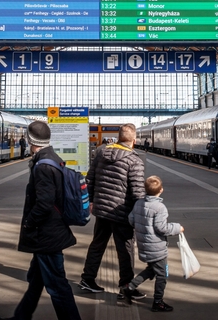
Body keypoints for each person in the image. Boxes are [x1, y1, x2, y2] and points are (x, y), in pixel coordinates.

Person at [0, 121, 81, 320]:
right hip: (49, 231)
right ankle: (21, 317)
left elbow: (45, 203)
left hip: (46, 234)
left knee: (57, 286)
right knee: (36, 280)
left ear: (30, 140)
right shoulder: (51, 158)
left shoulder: (43, 166)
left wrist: (29, 222)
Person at [79, 123, 146, 296]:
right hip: (122, 212)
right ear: (134, 140)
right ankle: (126, 285)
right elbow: (138, 191)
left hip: (101, 209)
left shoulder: (101, 153)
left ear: (118, 137)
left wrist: (92, 201)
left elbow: (90, 179)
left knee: (97, 244)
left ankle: (87, 279)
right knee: (125, 250)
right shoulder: (134, 160)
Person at [124, 175, 183, 312]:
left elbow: (131, 219)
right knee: (162, 275)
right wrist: (177, 228)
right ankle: (158, 302)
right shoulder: (160, 207)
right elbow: (161, 228)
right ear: (161, 190)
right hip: (157, 248)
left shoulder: (138, 203)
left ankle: (129, 287)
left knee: (151, 270)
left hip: (144, 245)